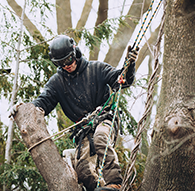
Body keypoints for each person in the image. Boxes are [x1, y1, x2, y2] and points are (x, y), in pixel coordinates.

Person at [31, 35, 136, 191]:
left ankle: (115, 183)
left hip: (105, 118)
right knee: (83, 170)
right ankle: (100, 189)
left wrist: (130, 64)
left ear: (75, 53)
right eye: (60, 63)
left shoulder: (97, 69)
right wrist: (25, 110)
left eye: (68, 60)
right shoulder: (57, 82)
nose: (66, 65)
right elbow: (43, 102)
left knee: (100, 139)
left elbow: (121, 80)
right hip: (84, 130)